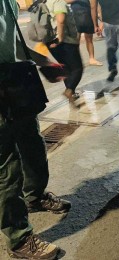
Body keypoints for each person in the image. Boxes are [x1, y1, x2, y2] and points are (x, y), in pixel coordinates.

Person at [0, 0, 71, 258]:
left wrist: (44, 61)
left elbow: (11, 42)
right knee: (8, 169)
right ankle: (19, 239)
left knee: (33, 145)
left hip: (13, 85)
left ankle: (35, 196)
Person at [46, 0, 84, 103]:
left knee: (66, 67)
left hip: (50, 41)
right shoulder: (58, 2)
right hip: (65, 41)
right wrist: (61, 39)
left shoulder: (44, 2)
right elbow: (61, 20)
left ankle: (71, 92)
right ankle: (69, 90)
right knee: (77, 69)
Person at [69, 0, 103, 66]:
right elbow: (66, 1)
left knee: (89, 39)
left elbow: (95, 6)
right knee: (76, 41)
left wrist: (97, 23)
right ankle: (75, 60)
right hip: (75, 16)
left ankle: (91, 58)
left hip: (87, 14)